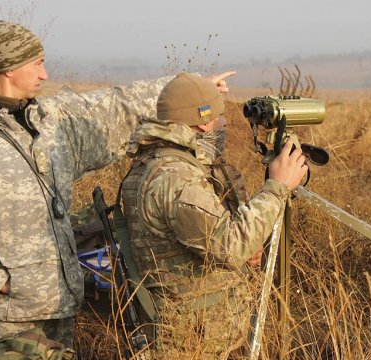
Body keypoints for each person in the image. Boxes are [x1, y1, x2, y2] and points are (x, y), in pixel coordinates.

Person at [0, 20, 231, 359]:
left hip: (60, 309)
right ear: (8, 68)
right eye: (37, 63)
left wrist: (193, 91)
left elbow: (113, 106)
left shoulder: (52, 122)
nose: (44, 74)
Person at [120, 72, 308, 358]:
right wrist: (277, 187)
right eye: (220, 116)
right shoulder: (176, 178)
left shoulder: (155, 161)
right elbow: (231, 245)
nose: (225, 122)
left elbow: (198, 242)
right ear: (203, 122)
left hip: (185, 328)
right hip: (190, 339)